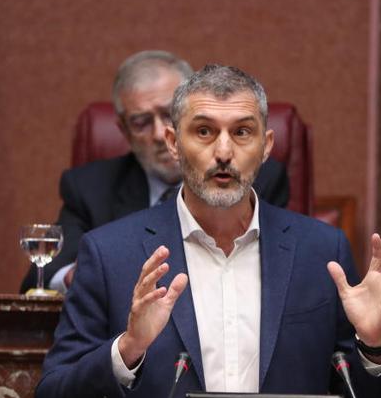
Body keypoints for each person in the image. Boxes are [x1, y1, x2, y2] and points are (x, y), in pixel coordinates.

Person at [34, 65, 381, 398]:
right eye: (204, 132)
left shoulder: (322, 253)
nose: (224, 152)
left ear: (267, 146)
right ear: (174, 142)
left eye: (242, 132)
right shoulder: (112, 253)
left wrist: (374, 347)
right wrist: (127, 349)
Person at [19, 51, 289, 293]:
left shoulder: (255, 178)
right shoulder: (90, 187)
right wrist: (87, 273)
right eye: (141, 122)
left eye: (169, 115)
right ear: (124, 130)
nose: (160, 134)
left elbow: (275, 272)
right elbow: (42, 277)